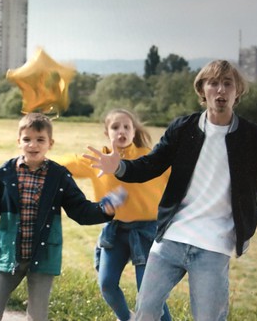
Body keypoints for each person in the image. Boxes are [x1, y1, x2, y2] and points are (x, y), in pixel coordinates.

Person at [83, 60, 257, 320]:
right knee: (146, 312)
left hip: (214, 245)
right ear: (202, 90)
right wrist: (119, 167)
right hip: (172, 237)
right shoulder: (183, 128)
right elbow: (150, 165)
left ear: (237, 91)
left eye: (227, 84)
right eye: (214, 83)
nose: (220, 90)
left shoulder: (254, 138)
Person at [0, 112, 118, 321]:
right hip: (9, 254)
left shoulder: (59, 175)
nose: (33, 145)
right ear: (19, 142)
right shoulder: (5, 172)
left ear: (50, 143)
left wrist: (104, 211)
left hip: (43, 255)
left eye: (40, 140)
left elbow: (79, 210)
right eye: (27, 139)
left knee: (37, 317)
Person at [57, 108, 171, 321]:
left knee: (149, 294)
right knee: (107, 284)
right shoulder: (98, 159)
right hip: (115, 230)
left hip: (147, 230)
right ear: (106, 132)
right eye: (115, 127)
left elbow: (181, 178)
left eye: (126, 127)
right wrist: (37, 161)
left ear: (134, 131)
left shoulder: (148, 157)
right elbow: (65, 163)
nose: (121, 131)